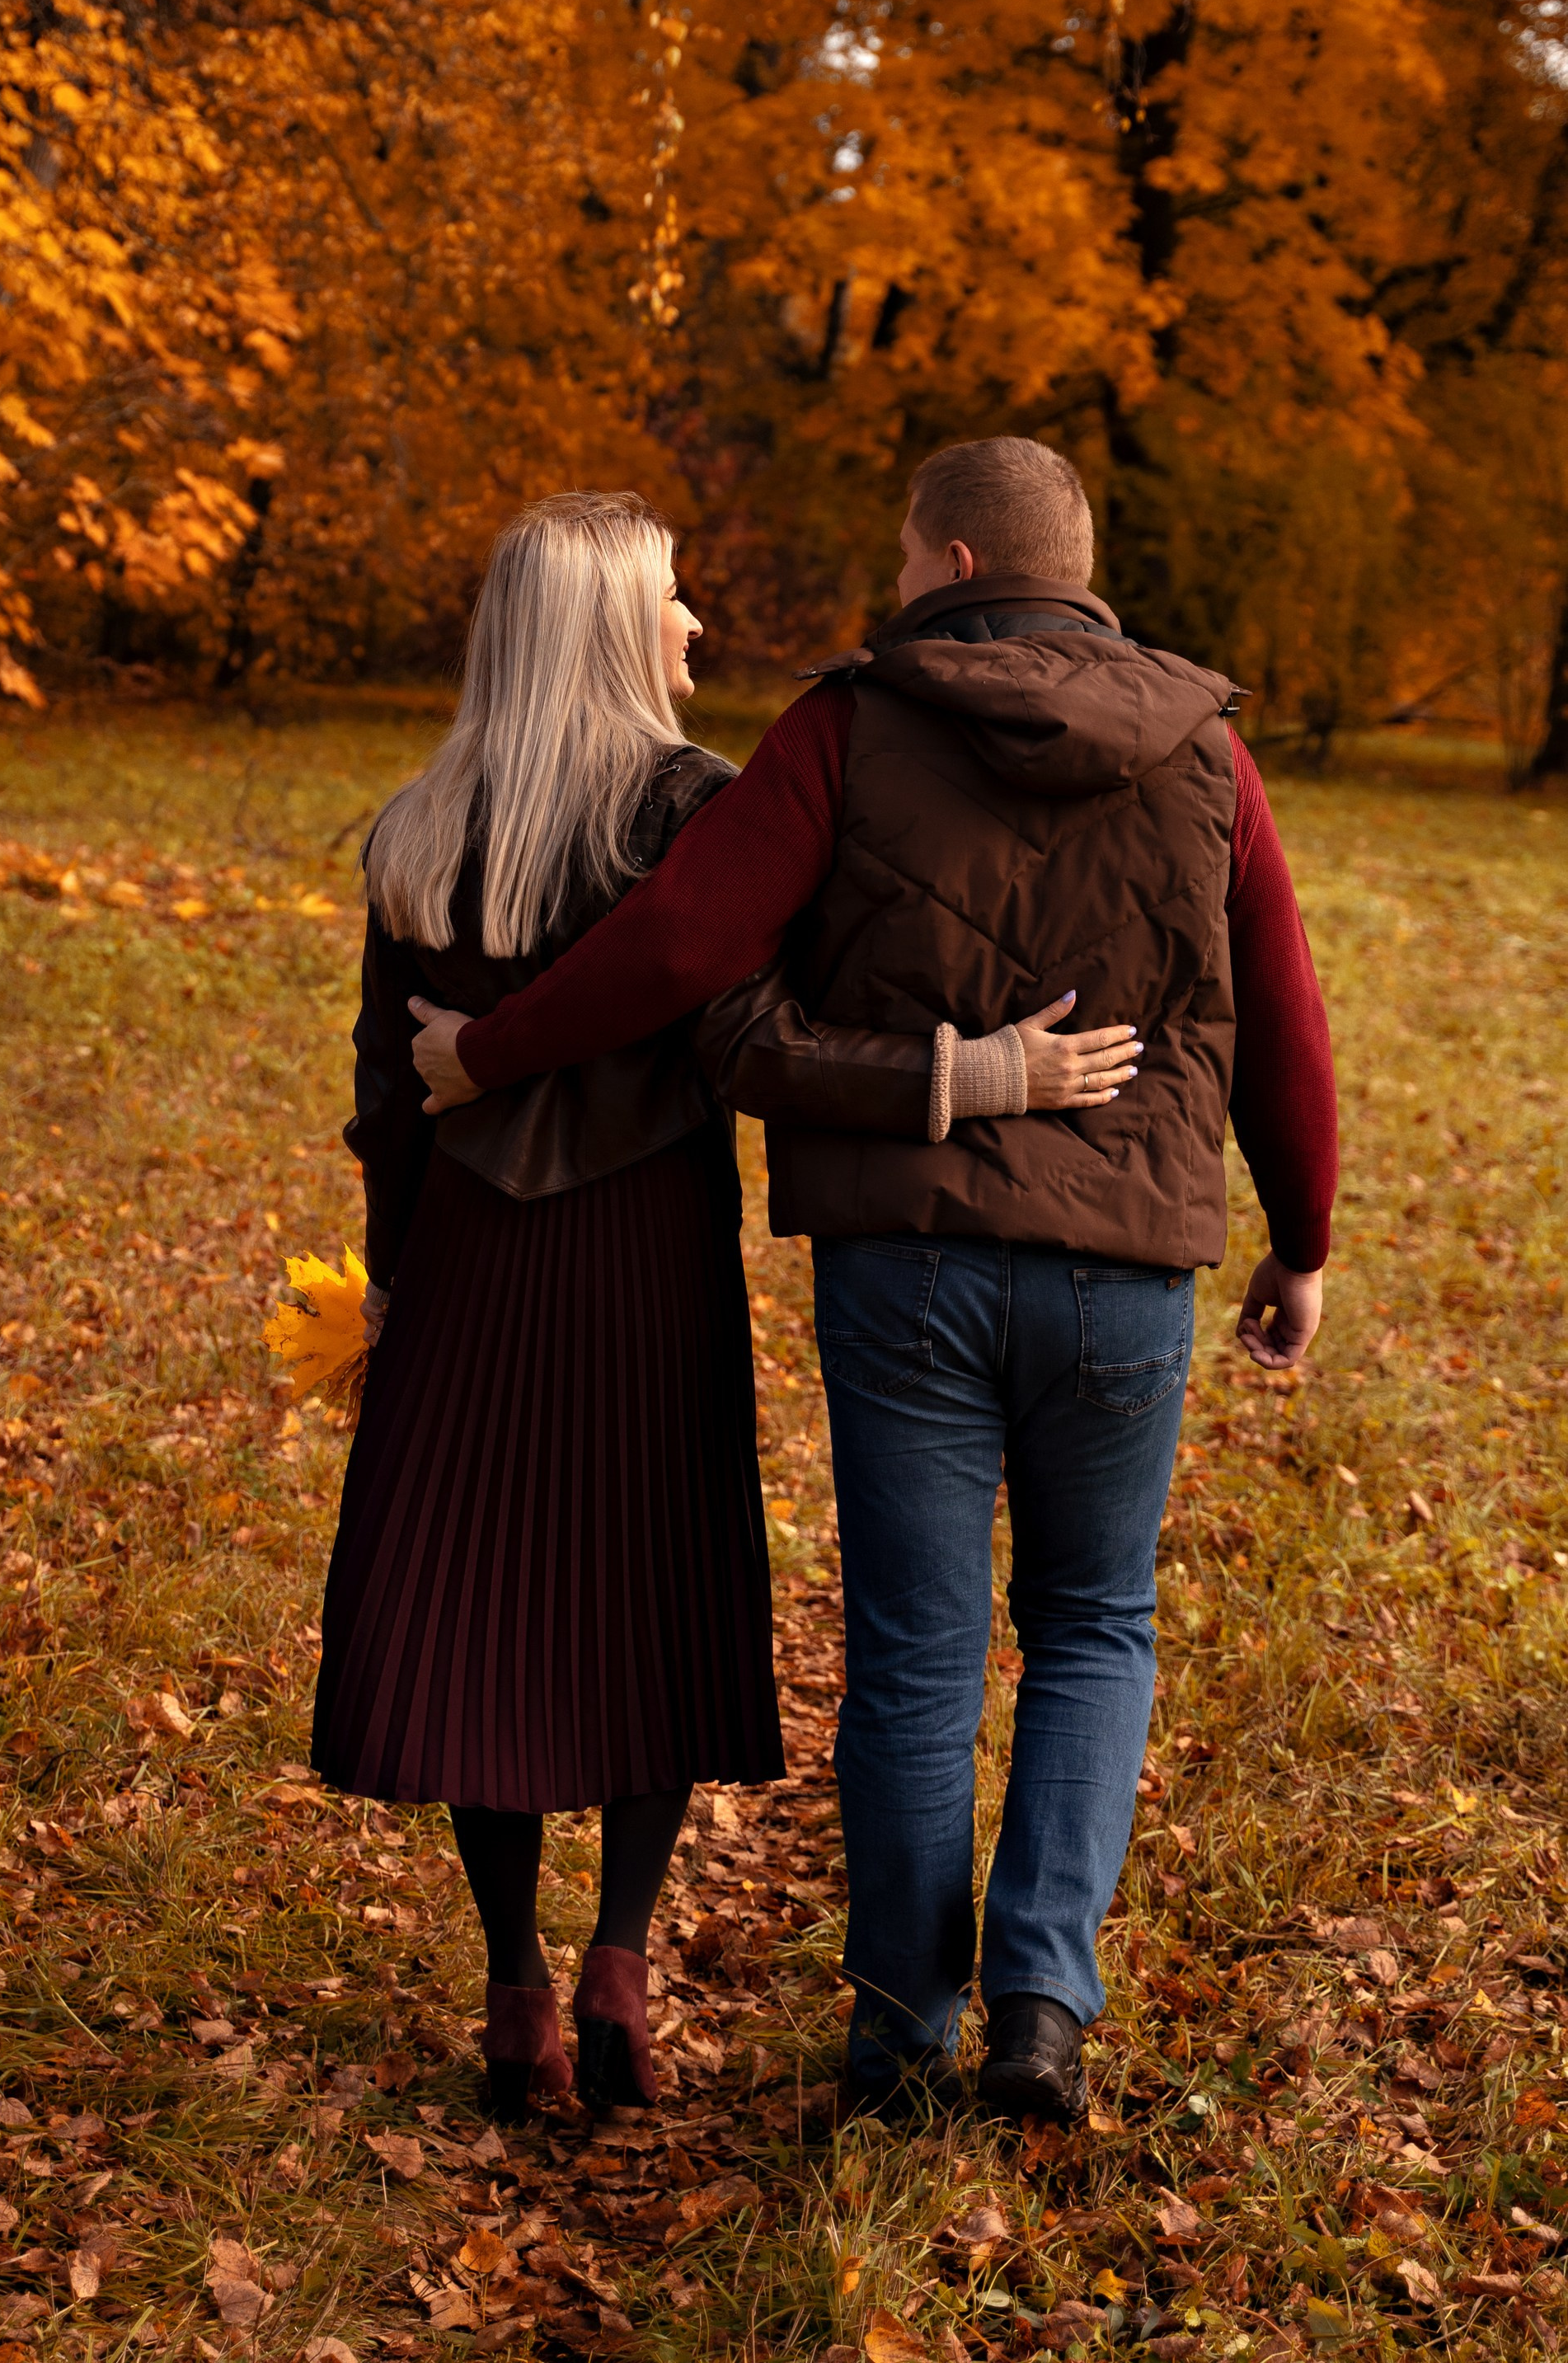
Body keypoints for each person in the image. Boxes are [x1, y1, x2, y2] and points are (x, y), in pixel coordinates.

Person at [408, 439, 1338, 2128]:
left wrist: (490, 1046)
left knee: (916, 1649)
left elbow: (685, 945)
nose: (895, 586)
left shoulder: (848, 723)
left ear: (956, 559)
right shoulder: (1206, 742)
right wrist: (1303, 1234)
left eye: (907, 557)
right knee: (1094, 1626)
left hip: (906, 1262)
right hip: (1123, 1266)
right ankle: (1040, 2005)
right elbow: (1279, 996)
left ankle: (903, 2032)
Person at [314, 486, 1140, 2121]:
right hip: (644, 1251)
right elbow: (761, 1040)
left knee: (490, 1607)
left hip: (473, 1253)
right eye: (671, 595)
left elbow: (385, 1094)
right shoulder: (696, 807)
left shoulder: (417, 831)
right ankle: (620, 1961)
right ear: (609, 629)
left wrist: (392, 1272)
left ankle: (515, 1986)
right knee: (649, 1591)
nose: (693, 620)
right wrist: (971, 1072)